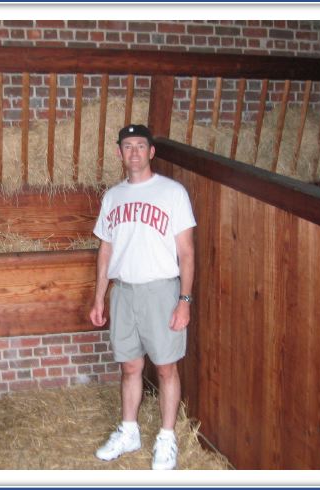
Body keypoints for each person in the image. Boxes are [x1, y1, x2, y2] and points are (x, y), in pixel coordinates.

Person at [89, 124, 196, 470]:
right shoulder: (112, 197)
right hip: (124, 291)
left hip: (161, 289)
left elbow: (187, 253)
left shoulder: (172, 192)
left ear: (151, 152)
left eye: (140, 146)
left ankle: (166, 438)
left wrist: (185, 300)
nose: (134, 152)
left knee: (165, 367)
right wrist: (99, 298)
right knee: (130, 365)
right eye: (127, 146)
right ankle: (129, 431)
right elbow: (105, 252)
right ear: (119, 153)